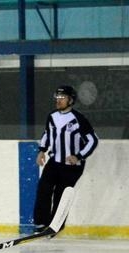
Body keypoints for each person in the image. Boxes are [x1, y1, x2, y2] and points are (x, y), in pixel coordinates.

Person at [34, 85, 98, 229]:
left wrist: (79, 156)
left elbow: (93, 140)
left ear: (70, 100)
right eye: (57, 97)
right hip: (54, 161)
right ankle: (40, 223)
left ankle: (55, 225)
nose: (59, 100)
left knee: (61, 196)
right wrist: (42, 150)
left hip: (72, 166)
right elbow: (47, 134)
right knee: (44, 189)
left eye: (62, 98)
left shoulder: (78, 119)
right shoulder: (52, 117)